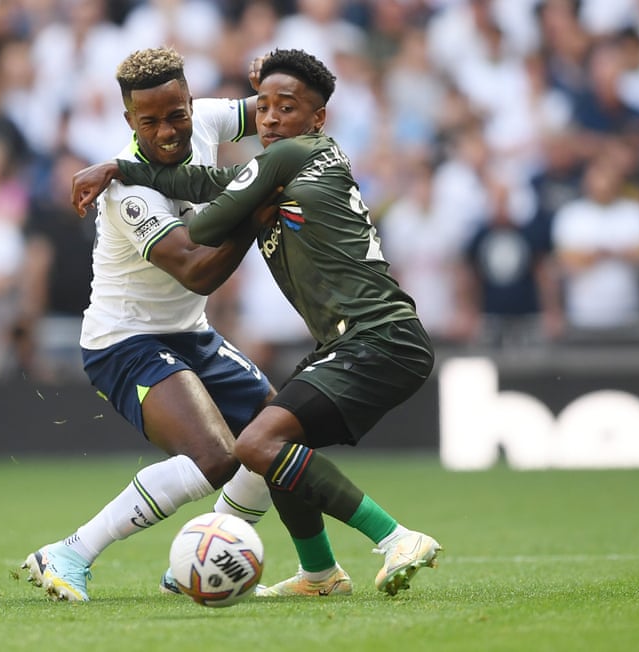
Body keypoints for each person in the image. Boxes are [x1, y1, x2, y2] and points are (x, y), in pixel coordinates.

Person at [77, 49, 442, 597]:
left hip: (376, 337)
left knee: (258, 443)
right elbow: (215, 182)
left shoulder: (284, 158)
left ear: (317, 116)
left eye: (286, 108)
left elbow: (206, 225)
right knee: (273, 440)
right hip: (360, 337)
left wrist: (225, 205)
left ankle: (395, 539)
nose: (268, 118)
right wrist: (120, 168)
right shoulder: (295, 158)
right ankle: (320, 575)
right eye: (263, 107)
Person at [22, 47, 279, 602]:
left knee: (275, 435)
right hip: (125, 340)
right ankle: (69, 552)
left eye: (177, 115)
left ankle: (197, 561)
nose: (167, 131)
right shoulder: (128, 193)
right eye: (150, 121)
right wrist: (257, 208)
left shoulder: (209, 119)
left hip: (190, 333)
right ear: (128, 121)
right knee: (213, 457)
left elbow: (275, 110)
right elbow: (196, 272)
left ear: (191, 103)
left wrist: (277, 76)